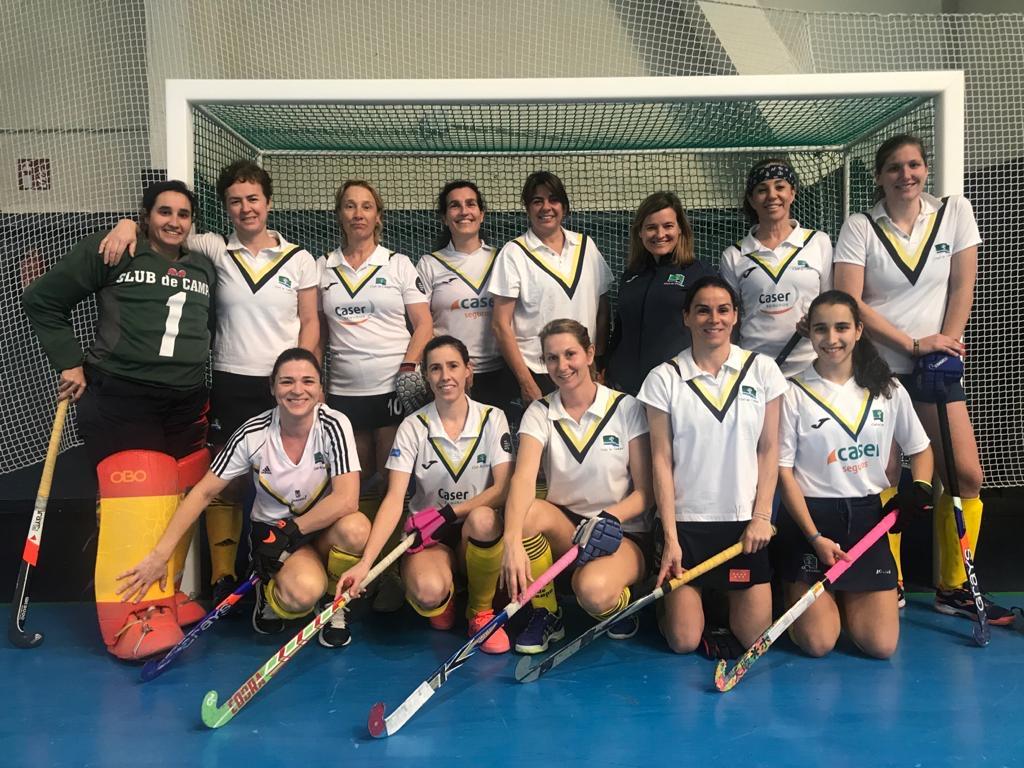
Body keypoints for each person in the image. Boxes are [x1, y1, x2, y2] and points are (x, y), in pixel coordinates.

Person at [100, 160, 320, 604]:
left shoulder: (300, 259)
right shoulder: (214, 248)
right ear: (226, 209)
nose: (245, 208)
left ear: (268, 202)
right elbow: (164, 230)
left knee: (289, 476)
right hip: (230, 381)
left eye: (253, 199)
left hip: (285, 389)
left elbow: (311, 321)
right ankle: (223, 578)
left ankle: (281, 567)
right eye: (235, 201)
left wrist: (306, 380)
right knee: (227, 479)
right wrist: (127, 222)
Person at [22, 180, 217, 660]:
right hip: (123, 397)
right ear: (146, 214)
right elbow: (42, 300)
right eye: (164, 212)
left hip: (186, 402)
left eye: (183, 214)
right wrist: (69, 361)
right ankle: (127, 619)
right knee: (135, 506)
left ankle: (163, 596)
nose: (174, 221)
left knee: (175, 502)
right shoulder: (115, 250)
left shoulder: (203, 265)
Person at [833, 134, 1012, 624]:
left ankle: (953, 588)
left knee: (966, 474)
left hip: (936, 364)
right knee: (887, 476)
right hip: (879, 366)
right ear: (879, 176)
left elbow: (962, 283)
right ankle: (885, 581)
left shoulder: (954, 213)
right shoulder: (860, 226)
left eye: (913, 165)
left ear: (926, 169)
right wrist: (912, 346)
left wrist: (945, 344)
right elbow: (851, 301)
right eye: (894, 167)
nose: (905, 175)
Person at [117, 348, 368, 649]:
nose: (298, 390)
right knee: (300, 596)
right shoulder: (253, 433)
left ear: (320, 388)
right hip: (272, 534)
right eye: (287, 382)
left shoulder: (334, 425)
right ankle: (269, 591)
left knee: (355, 528)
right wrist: (160, 556)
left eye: (308, 381)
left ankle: (333, 605)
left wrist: (293, 531)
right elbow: (204, 492)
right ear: (273, 388)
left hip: (317, 529)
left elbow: (346, 500)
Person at [777, 290, 934, 658]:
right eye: (821, 329)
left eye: (842, 328)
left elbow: (921, 448)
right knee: (818, 644)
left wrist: (922, 488)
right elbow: (783, 474)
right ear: (809, 333)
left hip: (867, 522)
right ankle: (802, 596)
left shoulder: (888, 389)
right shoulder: (791, 392)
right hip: (809, 523)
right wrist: (814, 537)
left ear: (859, 330)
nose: (831, 339)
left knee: (881, 646)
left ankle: (843, 598)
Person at [335, 336, 513, 653]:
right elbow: (393, 498)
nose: (445, 376)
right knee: (429, 595)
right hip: (427, 536)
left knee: (485, 520)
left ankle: (479, 610)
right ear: (426, 376)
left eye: (453, 366)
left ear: (469, 370)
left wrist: (448, 513)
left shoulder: (492, 418)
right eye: (435, 369)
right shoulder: (413, 425)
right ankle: (445, 595)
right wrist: (366, 562)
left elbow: (501, 490)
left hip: (473, 530)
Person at [638, 275, 785, 654]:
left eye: (723, 310)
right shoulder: (663, 378)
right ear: (686, 317)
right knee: (684, 641)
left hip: (744, 526)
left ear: (736, 315)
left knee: (755, 639)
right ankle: (681, 605)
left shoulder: (763, 370)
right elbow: (660, 459)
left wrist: (762, 516)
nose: (713, 319)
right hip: (688, 526)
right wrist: (670, 537)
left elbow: (769, 449)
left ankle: (718, 601)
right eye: (702, 310)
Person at [501, 319, 653, 654]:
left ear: (589, 353)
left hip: (621, 530)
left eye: (570, 354)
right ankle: (546, 613)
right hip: (567, 527)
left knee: (594, 593)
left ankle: (620, 605)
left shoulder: (625, 408)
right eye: (551, 358)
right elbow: (523, 479)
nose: (561, 365)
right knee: (525, 515)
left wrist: (604, 519)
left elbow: (646, 493)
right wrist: (511, 540)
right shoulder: (540, 412)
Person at [319, 179, 433, 611]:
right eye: (350, 206)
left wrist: (408, 366)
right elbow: (317, 332)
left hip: (391, 389)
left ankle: (390, 575)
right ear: (340, 215)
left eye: (367, 206)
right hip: (344, 393)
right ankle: (351, 579)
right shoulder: (321, 267)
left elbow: (424, 324)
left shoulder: (399, 264)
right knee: (353, 486)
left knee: (393, 485)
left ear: (378, 216)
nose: (358, 213)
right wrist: (316, 385)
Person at [490, 171, 613, 414]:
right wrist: (526, 382)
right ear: (527, 208)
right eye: (537, 201)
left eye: (553, 199)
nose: (546, 207)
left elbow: (602, 308)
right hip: (537, 373)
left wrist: (597, 360)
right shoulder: (513, 253)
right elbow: (500, 325)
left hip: (581, 369)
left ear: (564, 207)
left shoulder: (586, 246)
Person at [720, 158, 833, 377]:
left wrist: (815, 322)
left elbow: (830, 303)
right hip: (755, 370)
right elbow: (732, 321)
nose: (772, 195)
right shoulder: (733, 255)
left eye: (780, 187)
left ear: (792, 193)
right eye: (762, 190)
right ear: (752, 200)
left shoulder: (818, 242)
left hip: (812, 367)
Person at [416, 180, 517, 410]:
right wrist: (450, 366)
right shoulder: (429, 264)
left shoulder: (504, 259)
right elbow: (422, 324)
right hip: (450, 376)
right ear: (444, 217)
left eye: (471, 204)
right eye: (455, 205)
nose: (464, 211)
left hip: (501, 374)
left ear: (481, 214)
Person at [606, 191, 715, 395]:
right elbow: (620, 329)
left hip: (675, 389)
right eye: (651, 227)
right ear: (640, 232)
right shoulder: (630, 276)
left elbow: (720, 329)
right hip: (625, 390)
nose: (659, 234)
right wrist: (609, 369)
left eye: (668, 226)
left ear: (680, 228)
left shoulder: (698, 273)